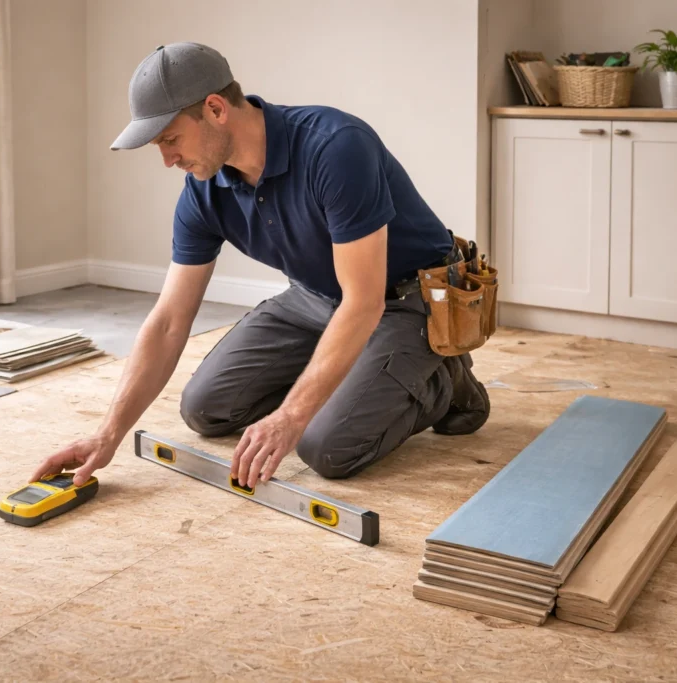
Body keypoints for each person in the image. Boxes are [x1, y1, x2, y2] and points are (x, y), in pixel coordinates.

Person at [31, 42, 490, 491]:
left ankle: (445, 381)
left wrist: (293, 416)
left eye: (170, 139)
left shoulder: (336, 148)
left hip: (409, 299)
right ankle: (355, 378)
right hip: (317, 296)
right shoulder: (204, 190)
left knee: (326, 446)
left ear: (215, 109)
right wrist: (107, 433)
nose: (167, 160)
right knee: (206, 410)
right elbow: (170, 321)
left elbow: (364, 301)